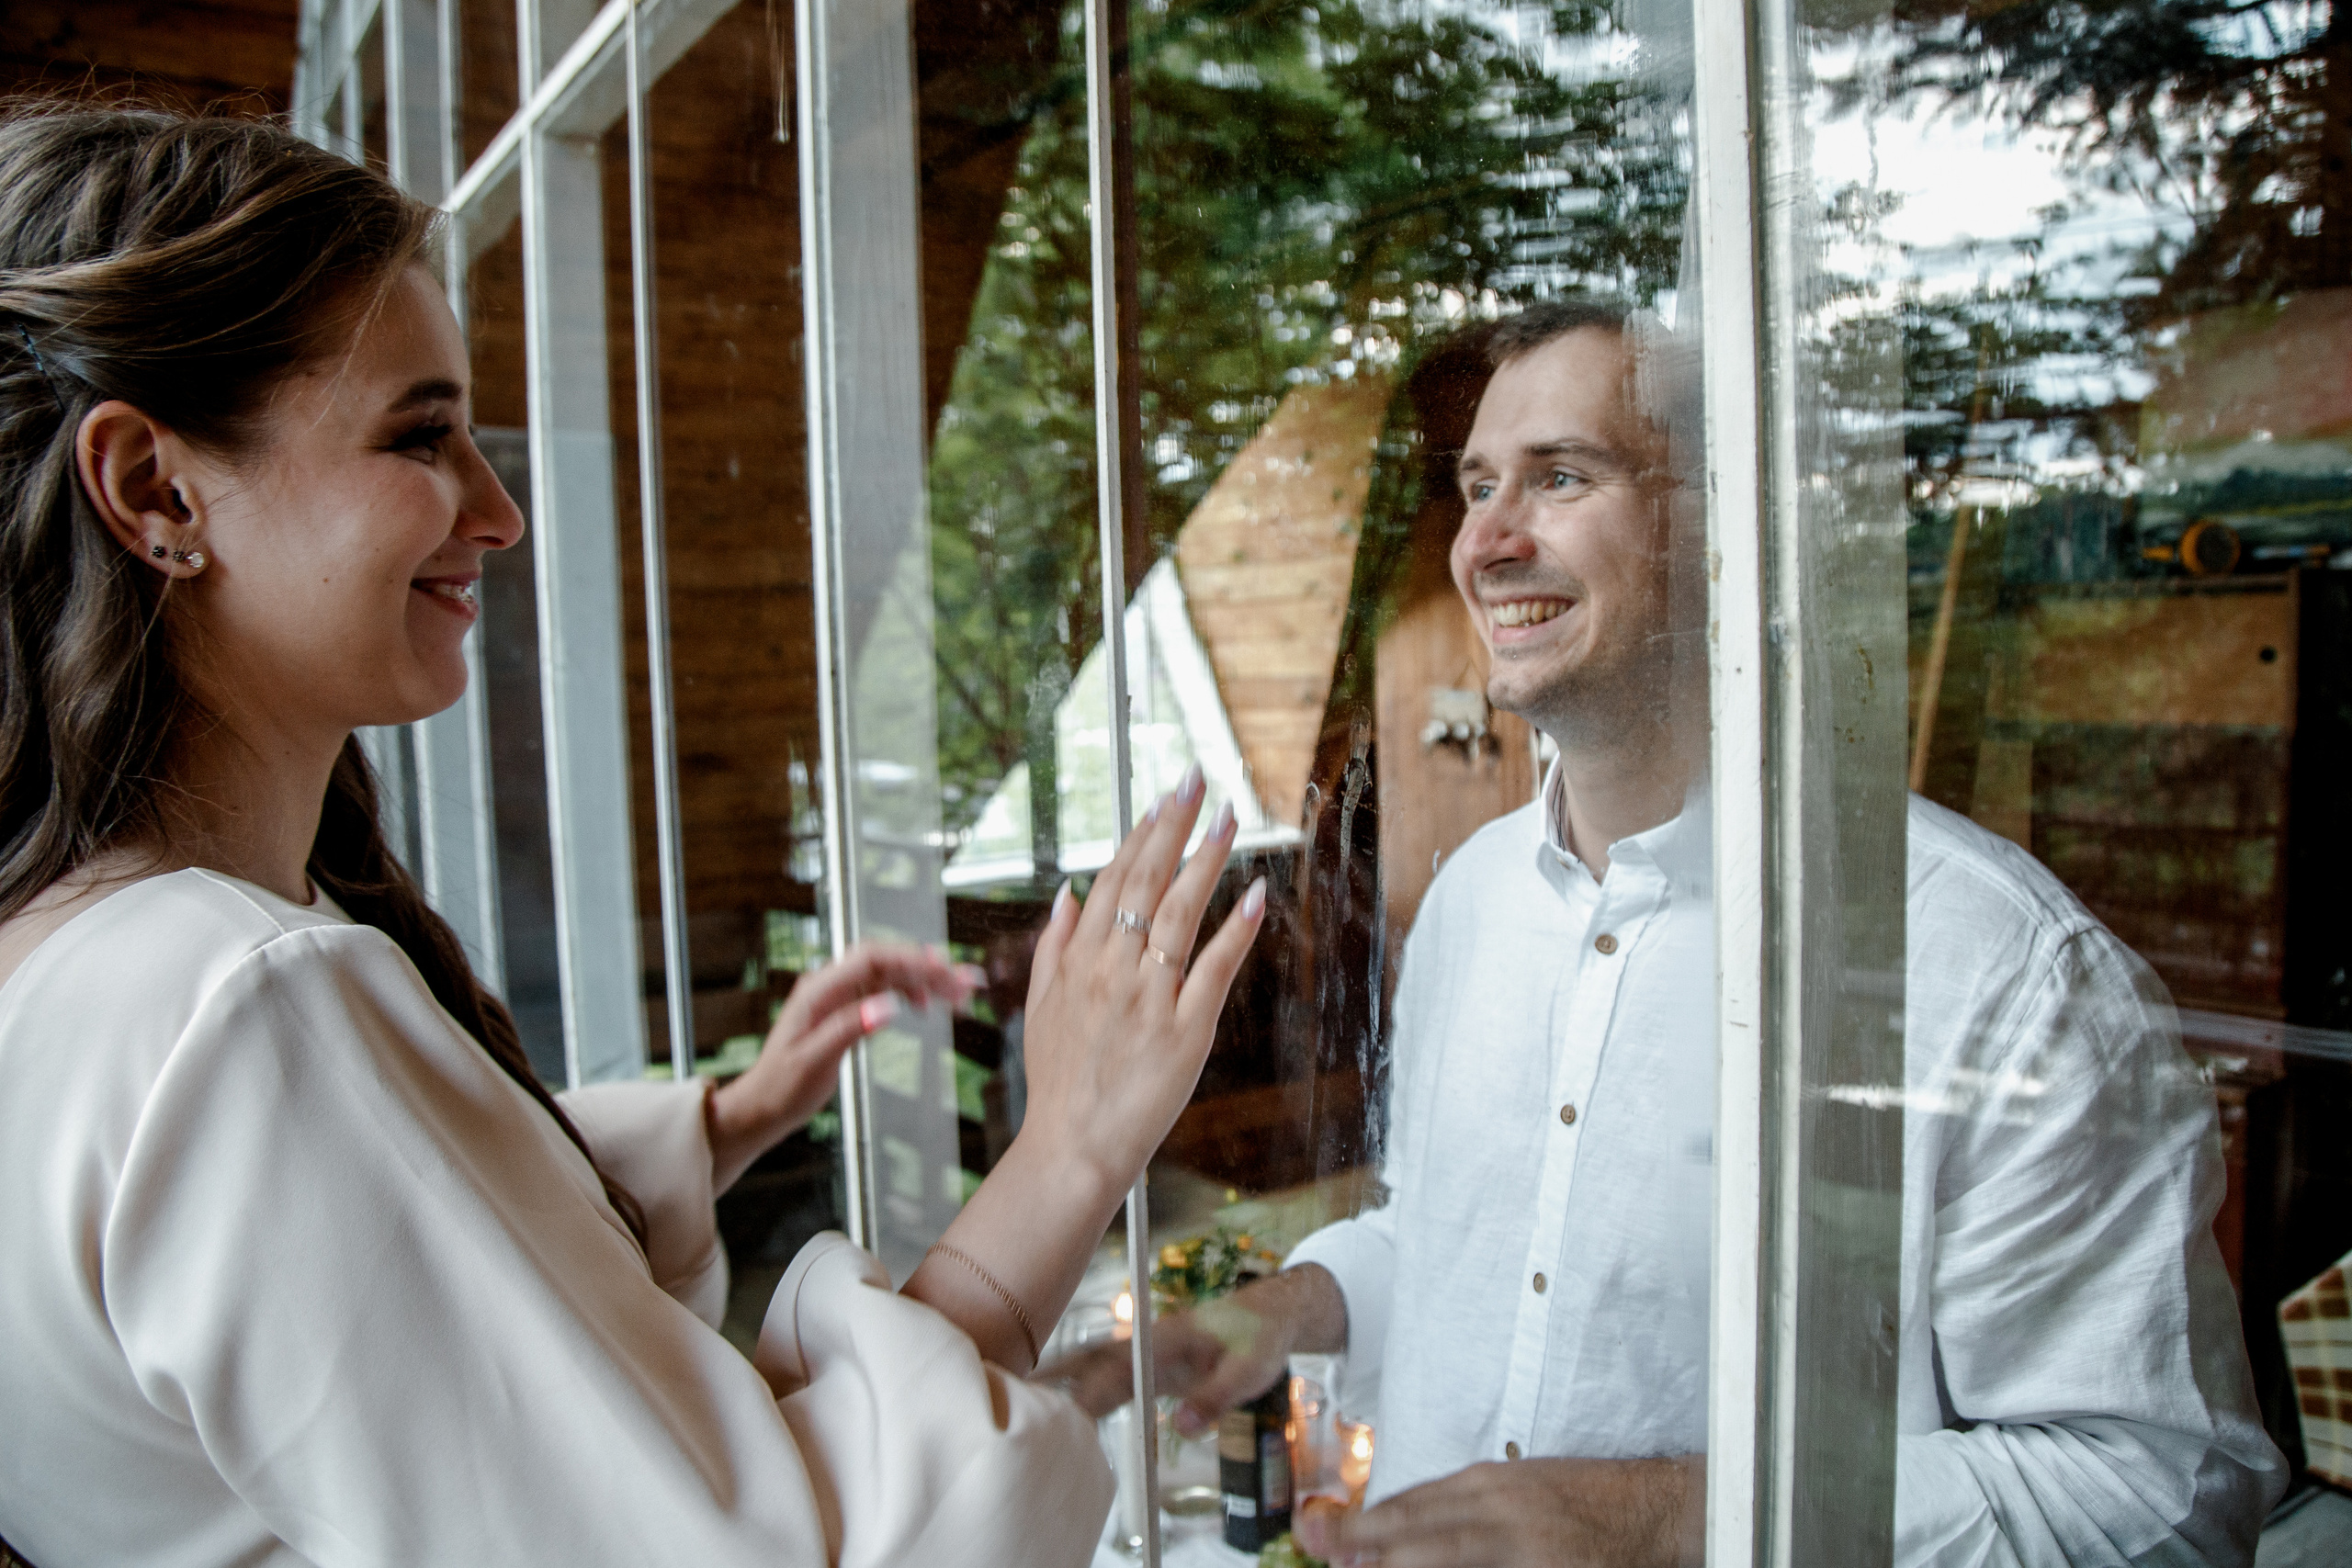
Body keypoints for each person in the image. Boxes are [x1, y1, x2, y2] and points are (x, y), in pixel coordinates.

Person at [0, 104, 1264, 1567]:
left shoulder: (70, 977)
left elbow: (374, 1315)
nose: (498, 511)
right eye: (421, 434)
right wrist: (1076, 1144)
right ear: (156, 492)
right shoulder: (228, 1009)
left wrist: (732, 1113)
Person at [1101, 301, 2287, 1565]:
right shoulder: (1469, 905)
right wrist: (1289, 1308)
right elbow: (1448, 1240)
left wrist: (1663, 1519)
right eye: (1477, 486)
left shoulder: (1997, 969)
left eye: (1561, 477)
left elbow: (2156, 1498)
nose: (1485, 544)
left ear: (1724, 526)